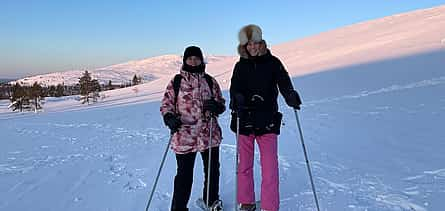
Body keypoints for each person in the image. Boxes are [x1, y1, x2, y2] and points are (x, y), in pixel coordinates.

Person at [230, 24, 302, 211]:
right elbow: (234, 88)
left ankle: (270, 207)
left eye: (255, 43)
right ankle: (247, 202)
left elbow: (284, 82)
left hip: (267, 121)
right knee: (244, 165)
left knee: (270, 168)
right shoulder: (240, 66)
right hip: (244, 121)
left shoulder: (273, 62)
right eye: (249, 45)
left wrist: (290, 95)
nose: (252, 47)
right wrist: (236, 99)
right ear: (244, 47)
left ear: (261, 43)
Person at [160, 46, 226, 211]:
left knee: (212, 171)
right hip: (184, 134)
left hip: (208, 134)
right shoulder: (176, 81)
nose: (193, 61)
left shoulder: (210, 81)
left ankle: (211, 201)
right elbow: (166, 104)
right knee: (184, 175)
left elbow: (221, 102)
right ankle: (179, 208)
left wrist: (217, 107)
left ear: (201, 60)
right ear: (185, 60)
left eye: (196, 58)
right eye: (190, 58)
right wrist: (169, 117)